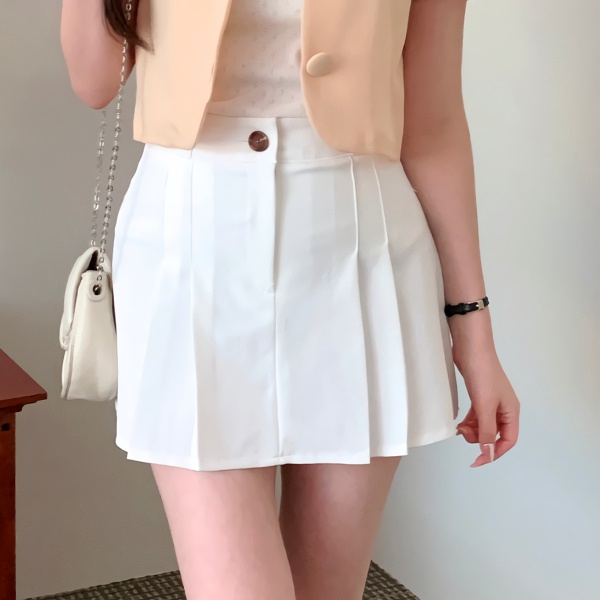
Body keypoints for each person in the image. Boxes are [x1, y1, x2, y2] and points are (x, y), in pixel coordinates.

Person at [61, 1, 521, 598]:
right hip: (192, 247)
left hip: (359, 247)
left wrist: (474, 332)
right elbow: (94, 80)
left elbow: (431, 124)